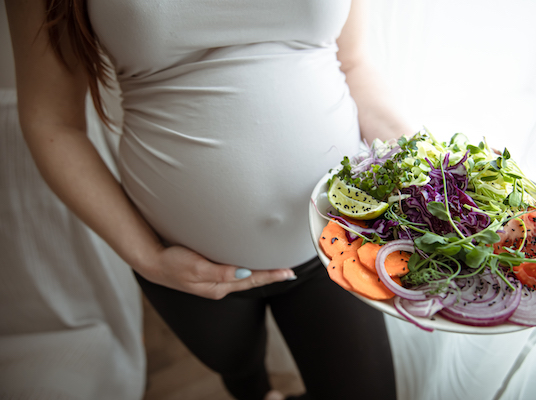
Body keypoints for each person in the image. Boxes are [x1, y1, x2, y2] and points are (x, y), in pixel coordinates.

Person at [6, 0, 413, 399]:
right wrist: (148, 257)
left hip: (341, 237)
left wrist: (424, 173)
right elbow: (52, 121)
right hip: (181, 256)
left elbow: (354, 64)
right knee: (238, 368)